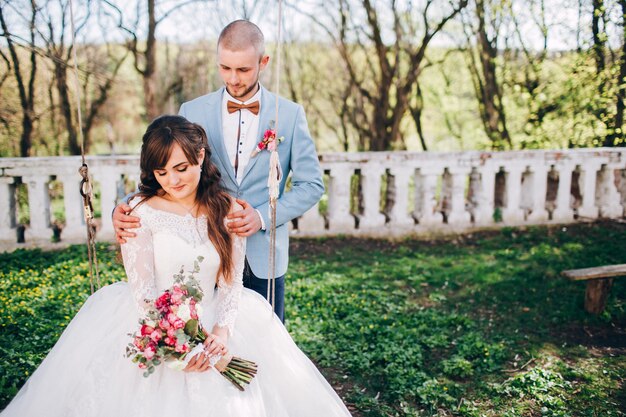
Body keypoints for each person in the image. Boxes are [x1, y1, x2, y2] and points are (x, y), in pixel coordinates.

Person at [0, 115, 351, 417]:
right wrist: (174, 347)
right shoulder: (140, 211)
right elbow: (144, 292)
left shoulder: (227, 209)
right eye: (162, 171)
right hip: (155, 321)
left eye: (182, 168)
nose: (174, 180)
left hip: (217, 318)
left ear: (200, 156)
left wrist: (221, 334)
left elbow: (230, 283)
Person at [113, 20, 324, 322]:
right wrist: (124, 207)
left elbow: (311, 185)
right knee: (204, 336)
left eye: (243, 70)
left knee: (265, 343)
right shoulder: (191, 110)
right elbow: (171, 175)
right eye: (225, 68)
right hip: (204, 252)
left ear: (263, 62)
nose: (233, 79)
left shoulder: (289, 115)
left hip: (263, 256)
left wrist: (261, 216)